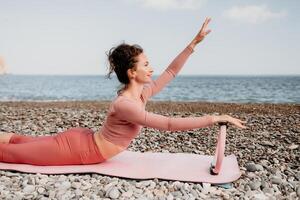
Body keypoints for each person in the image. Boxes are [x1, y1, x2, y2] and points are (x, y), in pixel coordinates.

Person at [0, 17, 247, 166]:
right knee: (12, 153)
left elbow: (171, 72)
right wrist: (213, 118)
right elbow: (169, 124)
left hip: (82, 140)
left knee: (21, 142)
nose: (152, 69)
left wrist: (193, 44)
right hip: (80, 150)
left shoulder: (142, 94)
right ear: (131, 72)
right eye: (146, 65)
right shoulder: (126, 105)